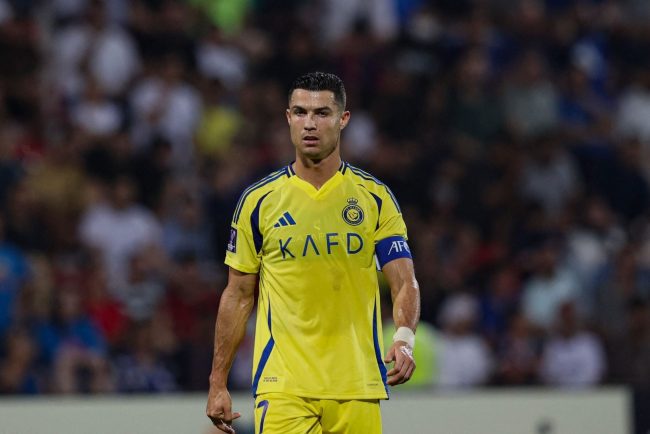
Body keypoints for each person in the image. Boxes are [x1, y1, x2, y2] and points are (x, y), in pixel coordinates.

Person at [205, 72, 420, 434]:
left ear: (343, 119)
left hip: (357, 384)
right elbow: (238, 295)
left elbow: (404, 281)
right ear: (288, 118)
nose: (309, 123)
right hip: (284, 385)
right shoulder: (258, 202)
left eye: (322, 113)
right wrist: (217, 382)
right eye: (300, 112)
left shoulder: (374, 198)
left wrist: (404, 339)